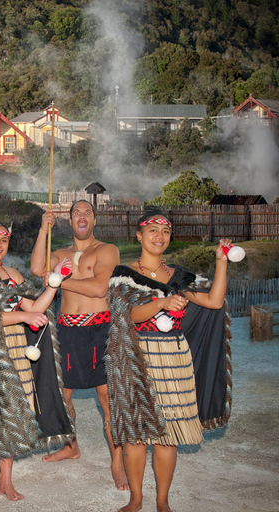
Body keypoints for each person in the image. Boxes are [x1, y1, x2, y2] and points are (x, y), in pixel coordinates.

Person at [105, 208, 233, 512]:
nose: (159, 236)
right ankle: (136, 498)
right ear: (139, 235)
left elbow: (214, 301)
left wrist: (221, 262)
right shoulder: (123, 274)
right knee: (137, 435)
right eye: (152, 230)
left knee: (168, 435)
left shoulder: (179, 276)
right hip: (136, 359)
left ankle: (162, 501)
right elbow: (128, 315)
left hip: (174, 358)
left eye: (165, 231)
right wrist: (161, 302)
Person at [0, 221, 73, 502]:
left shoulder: (14, 275)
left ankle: (5, 481)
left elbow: (34, 307)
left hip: (16, 349)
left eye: (4, 240)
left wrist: (56, 282)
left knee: (11, 410)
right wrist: (22, 317)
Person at [30, 200, 127, 490]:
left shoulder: (107, 250)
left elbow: (100, 288)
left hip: (100, 329)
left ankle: (117, 462)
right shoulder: (60, 254)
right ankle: (72, 446)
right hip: (67, 331)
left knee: (107, 399)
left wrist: (58, 280)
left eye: (87, 212)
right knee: (63, 397)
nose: (81, 217)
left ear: (94, 220)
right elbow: (37, 267)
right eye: (76, 213)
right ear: (70, 221)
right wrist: (43, 230)